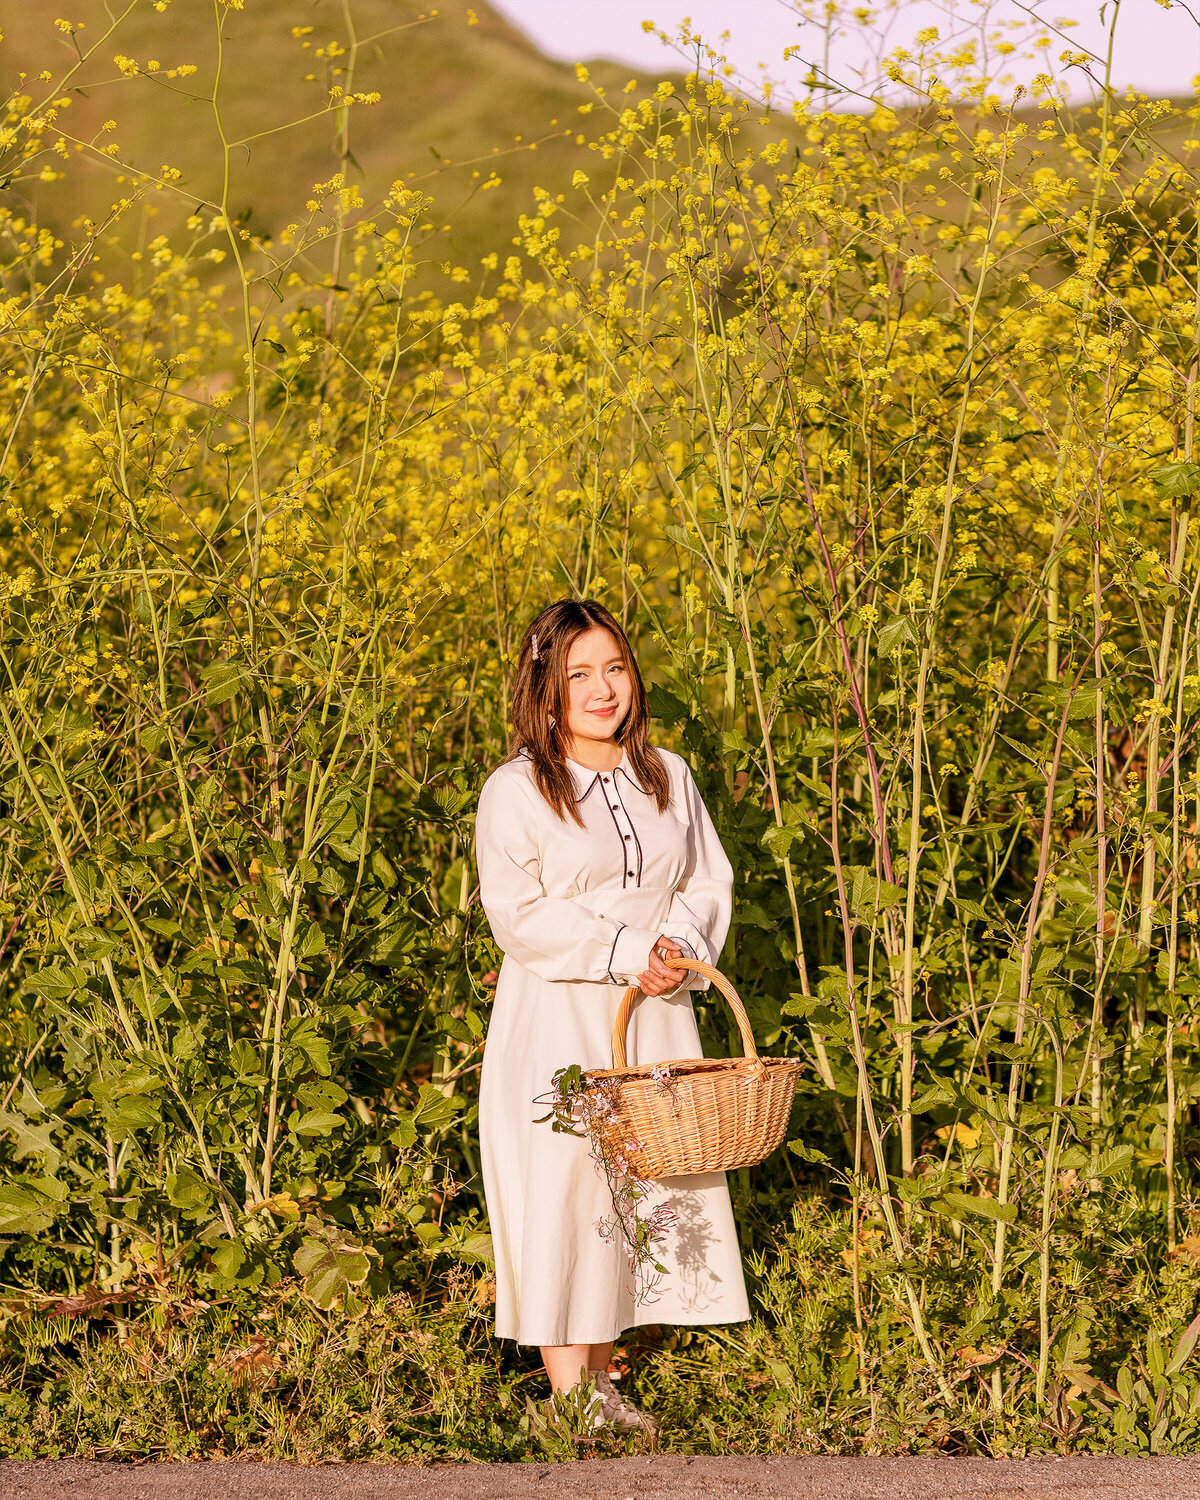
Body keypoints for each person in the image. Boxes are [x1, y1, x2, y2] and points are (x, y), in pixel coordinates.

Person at [474, 598, 749, 1435]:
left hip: (654, 1012)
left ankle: (602, 1382)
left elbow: (705, 879)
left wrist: (678, 946)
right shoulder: (517, 789)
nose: (602, 690)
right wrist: (630, 948)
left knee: (638, 1184)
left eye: (615, 668)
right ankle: (571, 1398)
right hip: (560, 1015)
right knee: (565, 1186)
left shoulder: (667, 772)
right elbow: (518, 915)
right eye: (579, 674)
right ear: (545, 688)